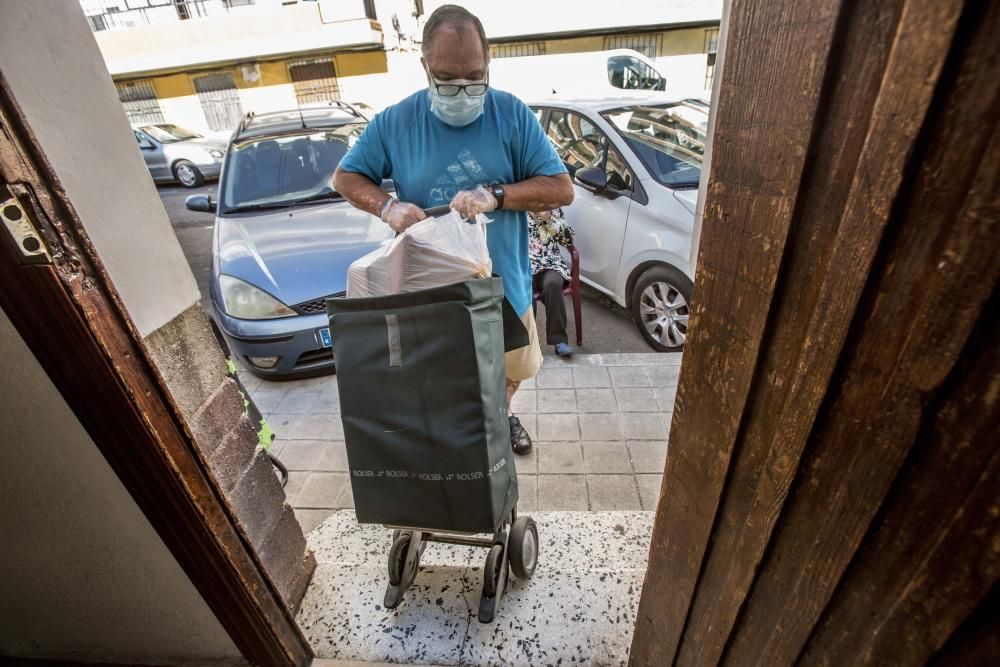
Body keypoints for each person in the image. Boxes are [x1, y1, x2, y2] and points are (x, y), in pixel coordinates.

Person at [333, 4, 574, 456]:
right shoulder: (396, 123)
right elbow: (346, 178)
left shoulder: (512, 116)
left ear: (488, 65)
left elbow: (561, 189)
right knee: (446, 384)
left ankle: (500, 415)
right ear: (425, 67)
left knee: (511, 370)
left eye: (474, 76)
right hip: (430, 297)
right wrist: (388, 207)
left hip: (504, 289)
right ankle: (465, 440)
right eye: (446, 78)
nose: (461, 90)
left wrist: (496, 196)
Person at [529, 208, 575, 357]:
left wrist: (549, 219)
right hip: (524, 265)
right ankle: (528, 344)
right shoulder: (517, 211)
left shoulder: (553, 209)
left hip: (550, 264)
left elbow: (567, 240)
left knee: (553, 285)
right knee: (523, 291)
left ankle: (559, 340)